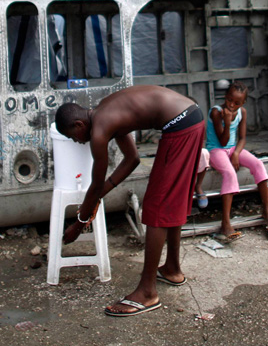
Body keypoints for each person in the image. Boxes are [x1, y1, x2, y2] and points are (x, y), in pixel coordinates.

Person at [55, 85, 205, 317]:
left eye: (72, 137)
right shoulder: (105, 111)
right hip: (190, 117)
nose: (76, 142)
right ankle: (172, 269)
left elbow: (95, 186)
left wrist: (79, 223)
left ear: (79, 125)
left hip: (180, 126)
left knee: (156, 207)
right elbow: (132, 159)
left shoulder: (98, 132)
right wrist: (96, 200)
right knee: (171, 199)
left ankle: (147, 292)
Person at [205, 81, 268, 242]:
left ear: (243, 103)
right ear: (225, 97)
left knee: (258, 164)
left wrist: (236, 153)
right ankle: (225, 223)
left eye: (237, 103)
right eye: (229, 100)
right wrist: (226, 123)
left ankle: (267, 212)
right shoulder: (216, 112)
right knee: (229, 173)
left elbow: (242, 138)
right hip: (216, 150)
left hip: (233, 149)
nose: (232, 105)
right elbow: (222, 141)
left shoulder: (242, 112)